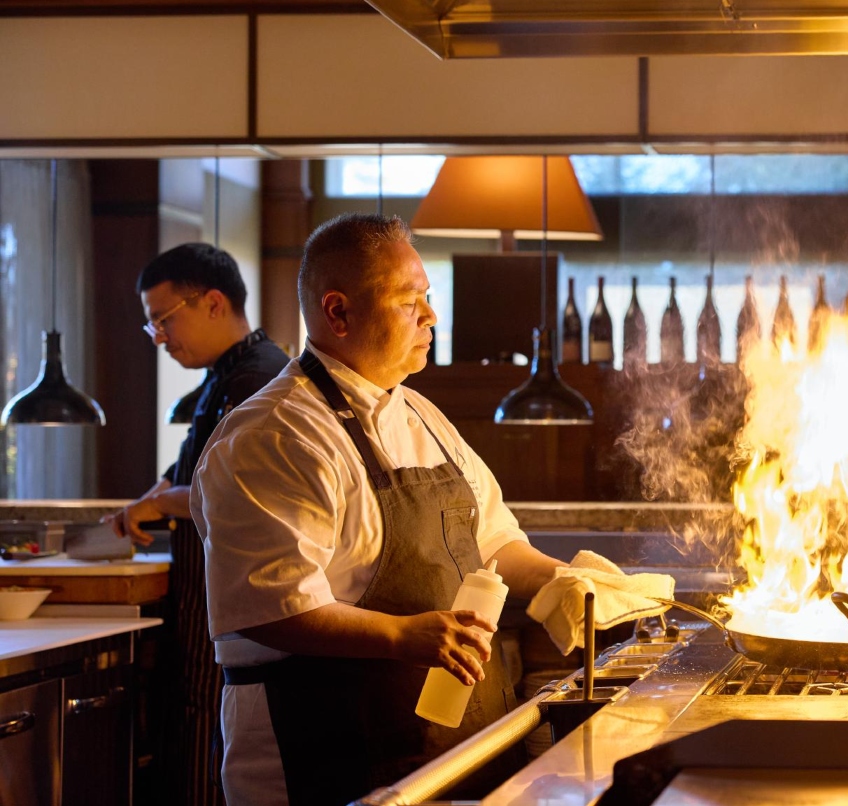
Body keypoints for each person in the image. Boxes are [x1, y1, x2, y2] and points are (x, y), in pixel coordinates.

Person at [191, 214, 647, 806]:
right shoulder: (274, 434)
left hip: (449, 751)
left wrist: (566, 583)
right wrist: (402, 635)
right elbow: (271, 606)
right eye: (411, 301)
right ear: (338, 312)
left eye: (428, 298)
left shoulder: (423, 418)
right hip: (324, 754)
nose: (431, 315)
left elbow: (495, 544)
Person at [104, 243, 289, 806]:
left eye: (164, 319)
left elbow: (231, 492)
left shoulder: (256, 378)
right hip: (207, 613)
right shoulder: (224, 375)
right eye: (152, 325)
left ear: (212, 303)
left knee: (213, 761)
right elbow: (190, 468)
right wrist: (151, 496)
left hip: (234, 615)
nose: (160, 337)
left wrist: (158, 507)